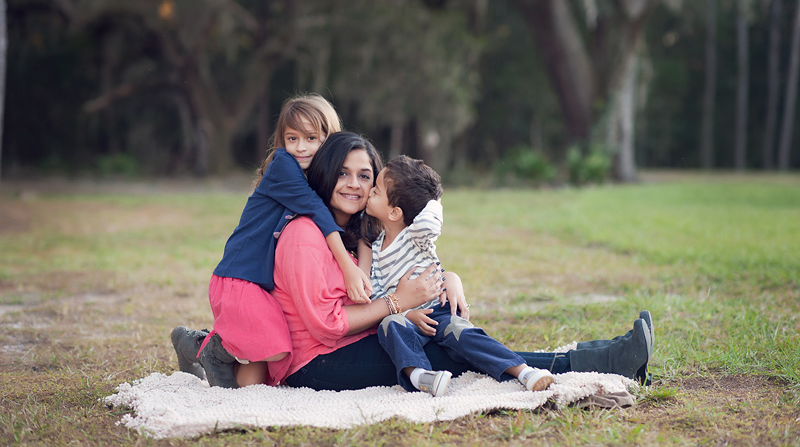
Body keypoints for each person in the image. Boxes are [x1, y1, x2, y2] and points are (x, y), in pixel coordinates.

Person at [264, 132, 653, 392]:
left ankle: (601, 358)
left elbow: (398, 261)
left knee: (452, 339)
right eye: (343, 174)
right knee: (449, 350)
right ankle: (602, 362)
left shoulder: (357, 232)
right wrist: (401, 303)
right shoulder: (304, 236)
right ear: (325, 174)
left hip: (361, 337)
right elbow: (327, 326)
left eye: (365, 175)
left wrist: (445, 276)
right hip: (315, 362)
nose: (354, 184)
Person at [171, 94, 372, 389]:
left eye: (311, 138)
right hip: (241, 277)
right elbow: (317, 211)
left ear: (329, 140)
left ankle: (198, 345)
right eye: (292, 138)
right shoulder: (284, 165)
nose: (300, 147)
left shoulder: (311, 177)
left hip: (263, 286)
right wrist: (348, 266)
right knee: (274, 348)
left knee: (256, 380)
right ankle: (208, 349)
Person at [363, 155, 554, 396]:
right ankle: (420, 376)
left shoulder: (416, 235)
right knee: (389, 325)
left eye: (377, 191)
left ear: (394, 213)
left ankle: (523, 371)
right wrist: (408, 314)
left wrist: (433, 192)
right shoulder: (376, 248)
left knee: (462, 331)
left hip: (439, 309)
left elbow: (431, 220)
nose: (369, 192)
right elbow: (379, 292)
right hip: (407, 317)